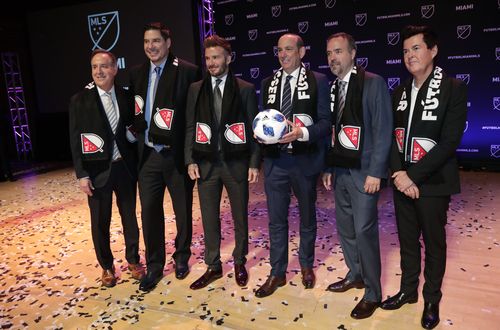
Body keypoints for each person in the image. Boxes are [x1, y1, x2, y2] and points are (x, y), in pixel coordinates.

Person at [380, 25, 467, 330]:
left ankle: (431, 298)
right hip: (403, 180)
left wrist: (411, 176)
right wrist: (398, 174)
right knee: (406, 241)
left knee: (433, 243)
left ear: (433, 50)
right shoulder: (400, 91)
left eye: (416, 48)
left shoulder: (453, 88)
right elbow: (391, 137)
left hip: (432, 182)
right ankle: (408, 291)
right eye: (405, 50)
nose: (409, 55)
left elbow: (449, 142)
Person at [322, 32, 392, 319]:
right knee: (347, 229)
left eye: (338, 52)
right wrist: (328, 167)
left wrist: (376, 172)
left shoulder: (373, 83)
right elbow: (333, 132)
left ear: (353, 53)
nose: (332, 58)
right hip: (340, 171)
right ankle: (356, 274)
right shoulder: (332, 88)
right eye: (329, 53)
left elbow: (383, 129)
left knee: (364, 230)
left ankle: (373, 293)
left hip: (365, 173)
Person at [254, 33, 331, 298]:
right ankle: (277, 272)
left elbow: (325, 123)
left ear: (302, 52)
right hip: (275, 162)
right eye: (279, 50)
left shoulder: (318, 81)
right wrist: (260, 134)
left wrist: (302, 133)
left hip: (303, 161)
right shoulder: (268, 83)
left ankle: (307, 265)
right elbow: (265, 119)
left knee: (307, 218)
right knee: (276, 221)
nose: (283, 55)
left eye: (288, 49)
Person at [184, 35, 260, 289]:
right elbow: (190, 126)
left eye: (216, 57)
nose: (211, 63)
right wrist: (189, 159)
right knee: (209, 218)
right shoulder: (196, 89)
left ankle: (239, 260)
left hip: (236, 163)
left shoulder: (245, 89)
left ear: (228, 58)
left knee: (240, 216)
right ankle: (213, 265)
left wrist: (254, 162)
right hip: (205, 164)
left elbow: (252, 129)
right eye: (207, 58)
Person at [128, 22, 200, 291]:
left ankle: (182, 258)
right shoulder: (136, 74)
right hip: (147, 156)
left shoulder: (189, 72)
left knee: (182, 212)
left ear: (168, 43)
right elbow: (134, 111)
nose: (151, 46)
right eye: (146, 42)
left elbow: (194, 116)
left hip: (176, 156)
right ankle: (155, 265)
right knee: (149, 213)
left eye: (156, 41)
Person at [68, 49, 144, 287]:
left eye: (103, 66)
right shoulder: (80, 100)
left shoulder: (126, 96)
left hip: (125, 169)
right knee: (100, 222)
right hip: (98, 172)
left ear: (114, 69)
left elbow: (134, 129)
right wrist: (81, 174)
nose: (98, 72)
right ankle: (107, 267)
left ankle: (133, 260)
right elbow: (75, 139)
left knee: (129, 218)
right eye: (94, 67)